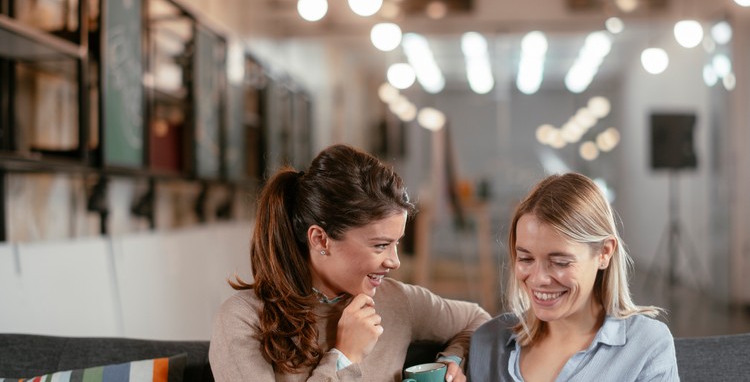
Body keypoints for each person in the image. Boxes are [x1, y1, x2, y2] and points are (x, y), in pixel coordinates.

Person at [210, 144, 490, 382]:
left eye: (397, 243)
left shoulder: (398, 301)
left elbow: (477, 319)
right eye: (380, 245)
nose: (394, 261)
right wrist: (344, 358)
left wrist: (452, 361)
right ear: (320, 239)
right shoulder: (243, 319)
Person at [468, 173, 679, 381]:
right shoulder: (488, 342)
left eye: (560, 262)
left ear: (604, 253)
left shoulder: (646, 345)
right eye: (525, 259)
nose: (539, 278)